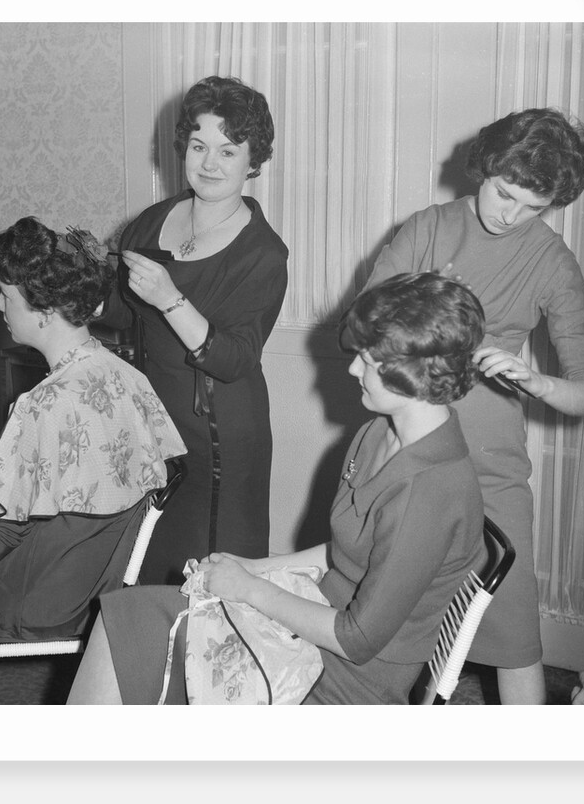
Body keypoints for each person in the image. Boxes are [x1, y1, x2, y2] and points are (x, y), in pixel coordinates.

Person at [67, 272, 487, 705]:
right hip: (311, 621)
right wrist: (255, 567)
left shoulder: (431, 491)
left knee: (141, 645)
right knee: (124, 619)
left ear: (412, 370)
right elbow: (347, 552)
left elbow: (357, 639)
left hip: (345, 678)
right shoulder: (379, 432)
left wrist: (250, 589)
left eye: (368, 359)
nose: (353, 368)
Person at [361, 107, 584, 704]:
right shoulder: (427, 228)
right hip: (406, 446)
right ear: (484, 168)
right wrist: (439, 317)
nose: (510, 215)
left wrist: (539, 383)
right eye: (504, 193)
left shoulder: (552, 260)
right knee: (379, 609)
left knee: (514, 629)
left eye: (533, 207)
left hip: (490, 460)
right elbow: (365, 327)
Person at [0, 216, 186, 703]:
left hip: (33, 600)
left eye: (7, 296)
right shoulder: (126, 378)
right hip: (88, 586)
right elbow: (30, 478)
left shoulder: (42, 406)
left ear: (43, 311)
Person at [99, 75, 289, 585]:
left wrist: (170, 297)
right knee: (149, 572)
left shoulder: (263, 253)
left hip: (222, 438)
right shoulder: (151, 222)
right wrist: (83, 297)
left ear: (253, 161)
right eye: (199, 146)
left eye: (228, 151)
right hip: (154, 426)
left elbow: (234, 359)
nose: (209, 163)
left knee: (214, 584)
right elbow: (125, 312)